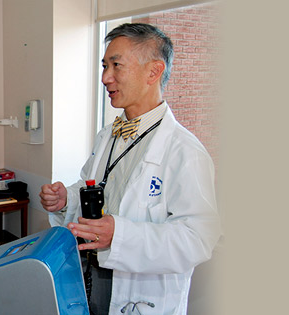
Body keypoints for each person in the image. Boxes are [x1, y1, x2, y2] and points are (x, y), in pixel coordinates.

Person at [40, 23, 221, 314]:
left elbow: (198, 239)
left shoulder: (185, 151)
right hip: (92, 275)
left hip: (142, 291)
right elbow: (94, 186)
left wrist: (121, 235)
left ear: (153, 71)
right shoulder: (109, 134)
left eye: (116, 66)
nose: (105, 77)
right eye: (104, 65)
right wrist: (67, 199)